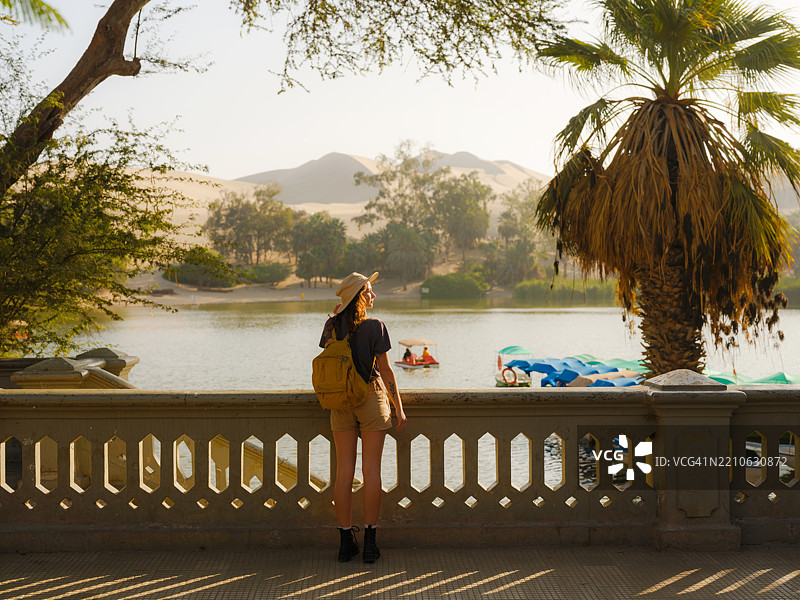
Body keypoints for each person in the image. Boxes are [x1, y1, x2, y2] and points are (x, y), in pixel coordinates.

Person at [319, 271, 407, 564]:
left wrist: (335, 319)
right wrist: (398, 406)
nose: (373, 296)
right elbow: (386, 369)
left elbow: (333, 359)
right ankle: (370, 543)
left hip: (340, 401)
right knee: (371, 472)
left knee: (343, 473)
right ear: (358, 297)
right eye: (369, 291)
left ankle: (346, 542)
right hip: (370, 398)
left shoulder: (331, 325)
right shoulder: (375, 327)